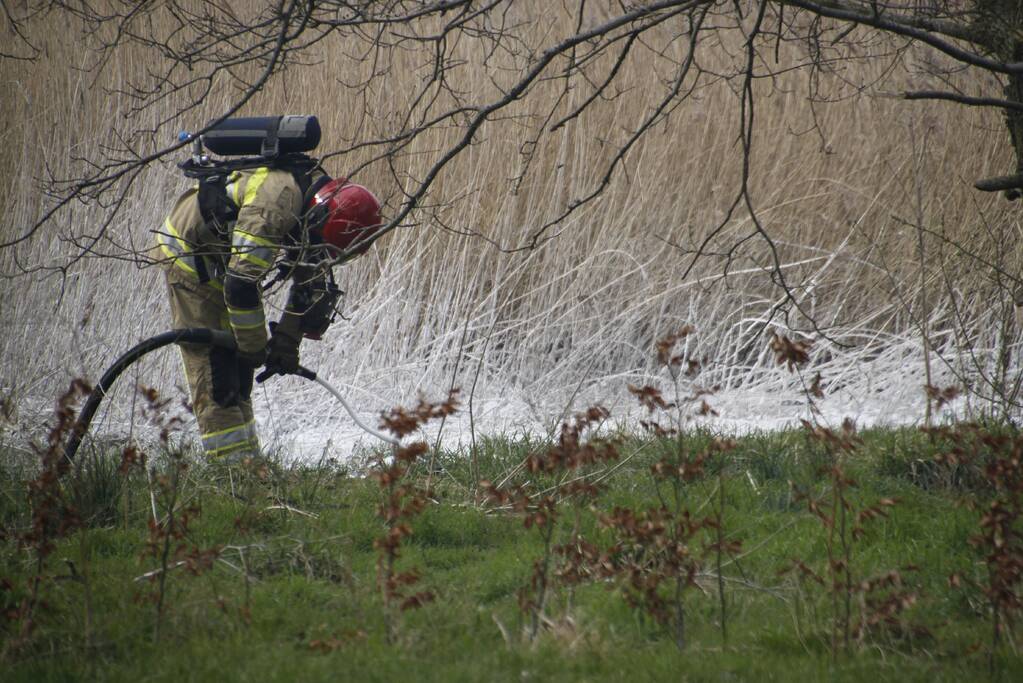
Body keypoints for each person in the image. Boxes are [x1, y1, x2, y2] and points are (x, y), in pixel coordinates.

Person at [153, 164, 381, 460]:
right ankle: (230, 476)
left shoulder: (315, 205)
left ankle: (250, 466)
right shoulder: (276, 205)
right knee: (216, 369)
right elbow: (240, 286)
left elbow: (307, 275)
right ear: (322, 223)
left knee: (240, 371)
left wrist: (287, 340)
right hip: (191, 257)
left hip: (227, 261)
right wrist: (255, 348)